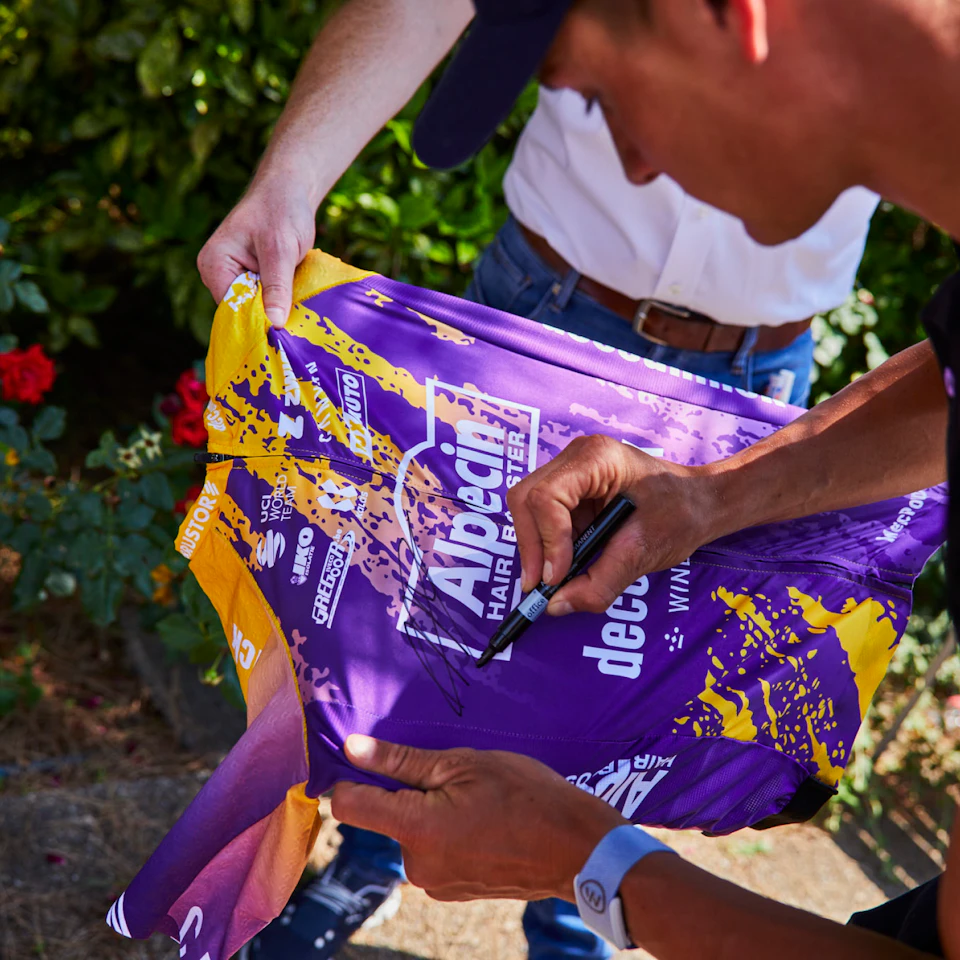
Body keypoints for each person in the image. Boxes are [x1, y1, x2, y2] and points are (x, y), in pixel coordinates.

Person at [199, 4, 879, 958]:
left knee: (628, 686)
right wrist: (290, 176)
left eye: (601, 86)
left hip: (755, 378)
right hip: (545, 314)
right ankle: (370, 858)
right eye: (579, 93)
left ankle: (577, 921)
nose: (639, 165)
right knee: (430, 617)